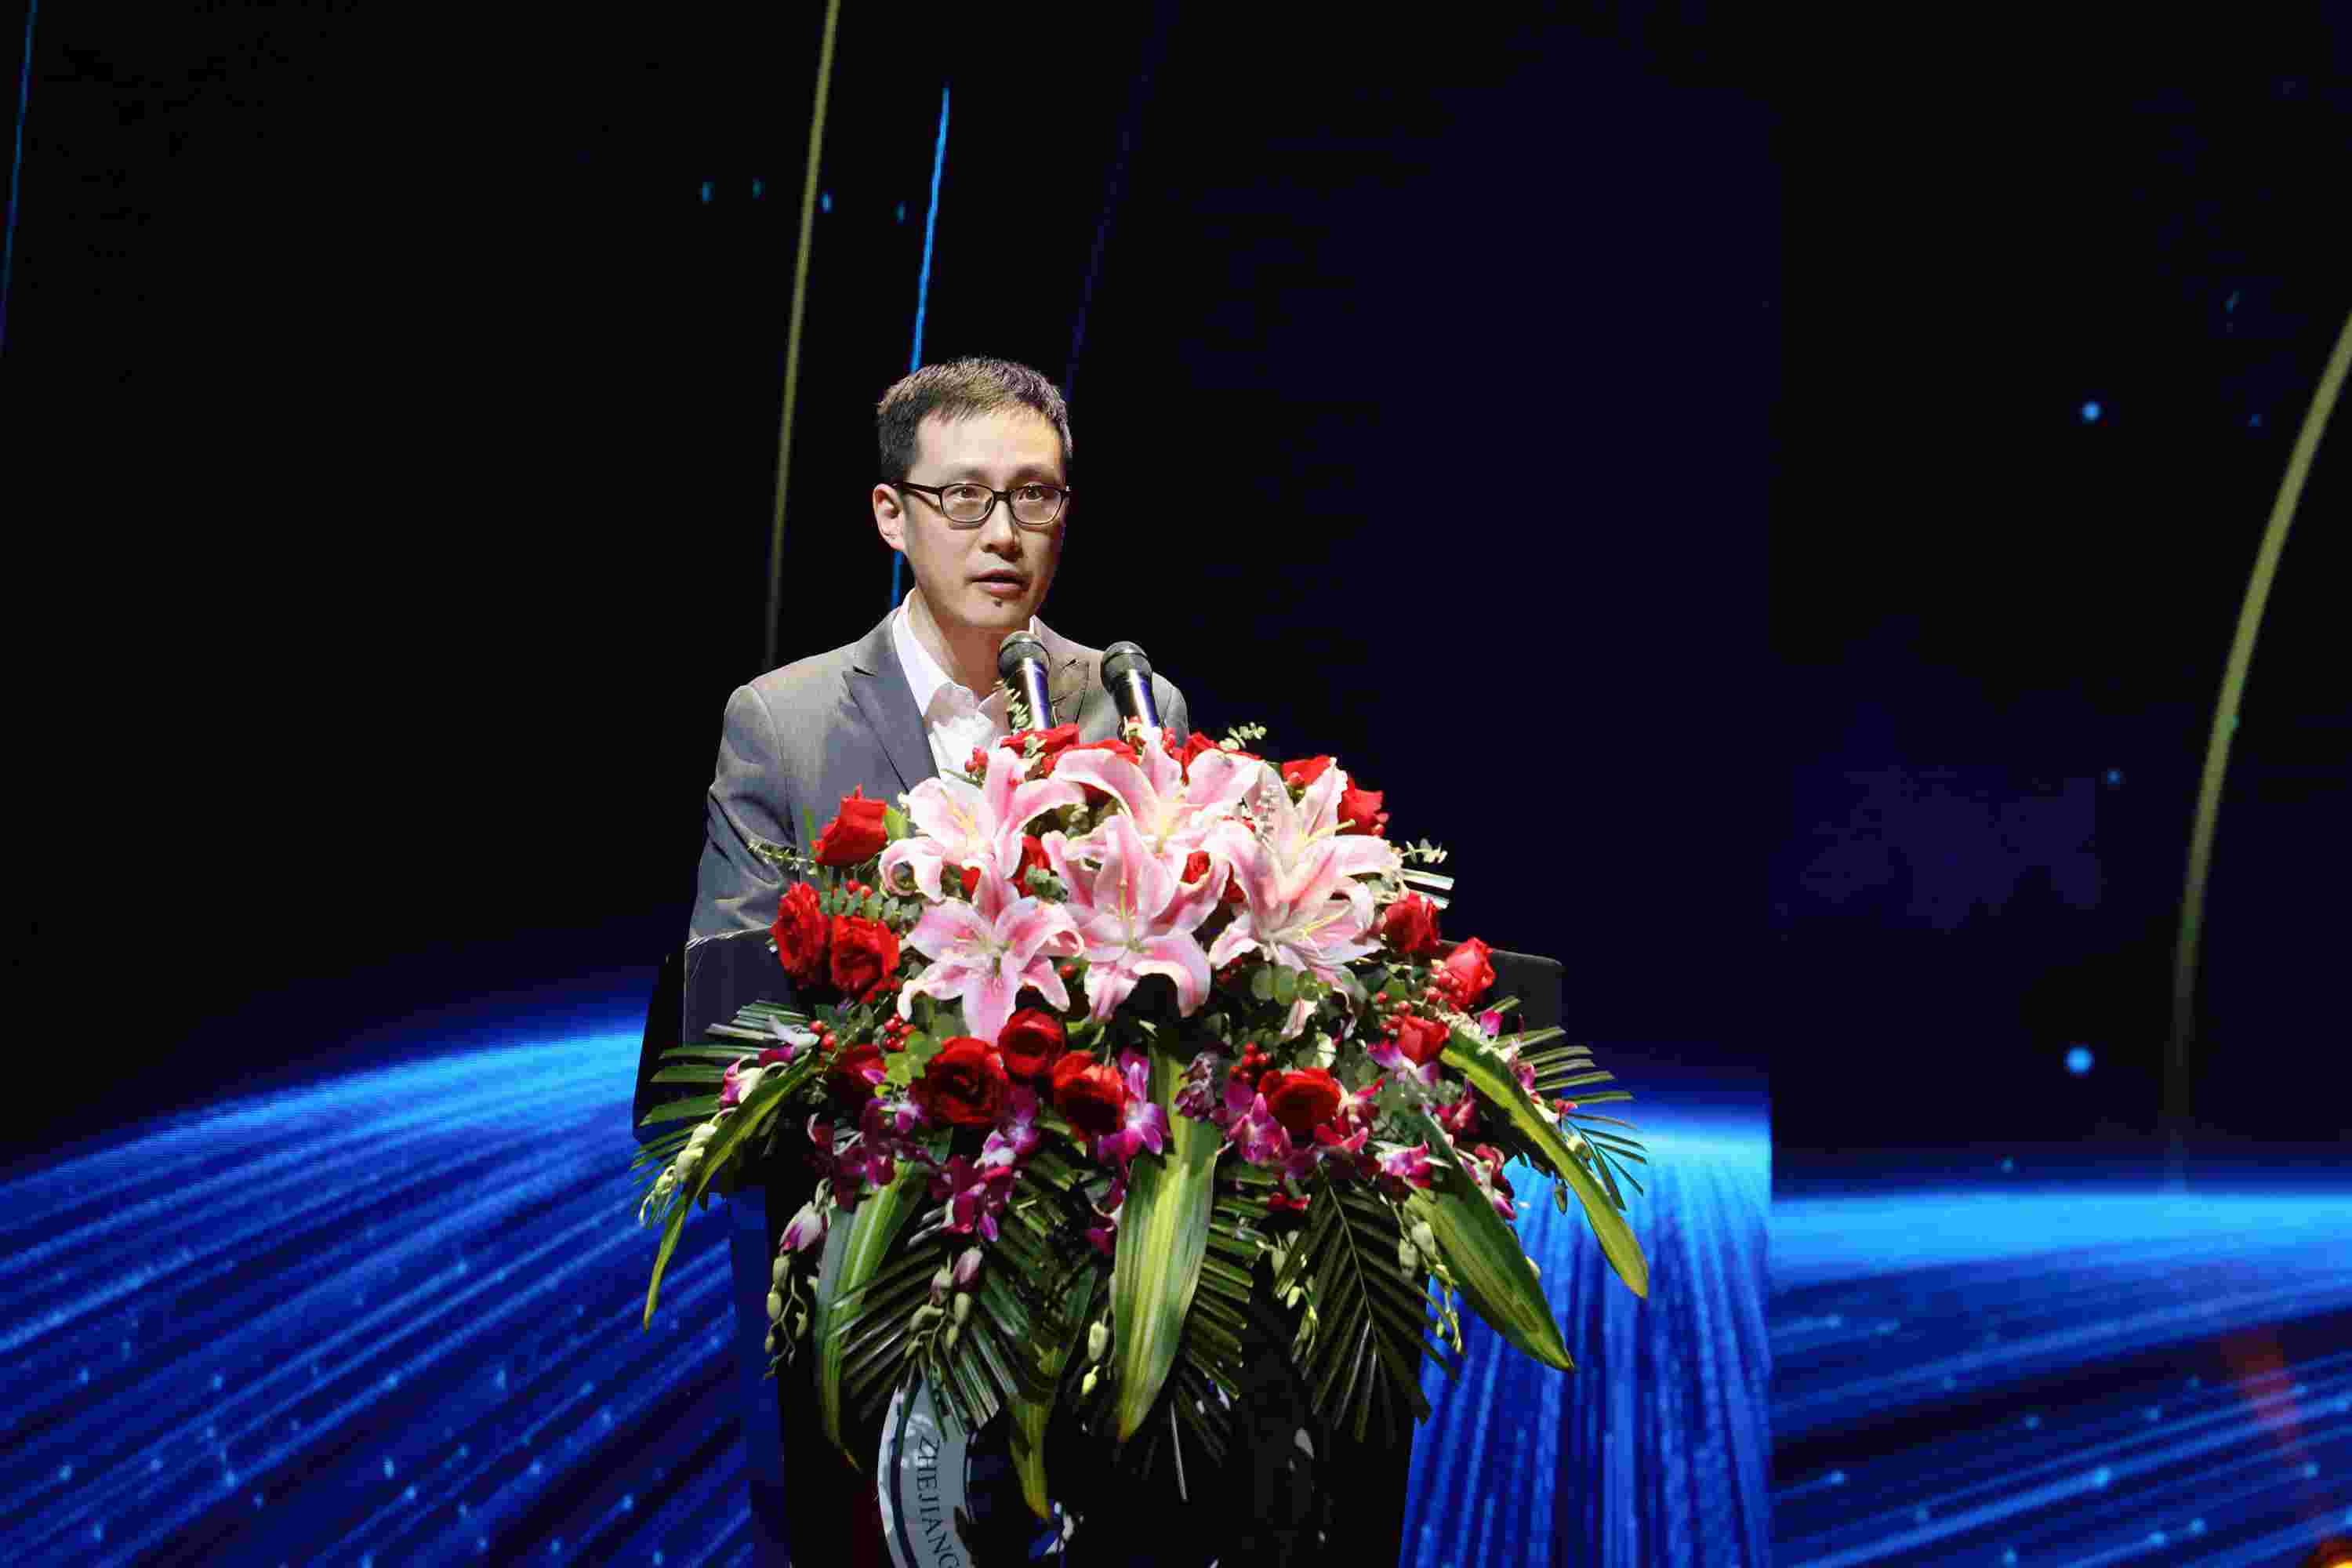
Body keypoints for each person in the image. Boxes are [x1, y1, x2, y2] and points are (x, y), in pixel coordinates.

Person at [644, 357, 1189, 1568]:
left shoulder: (1130, 706)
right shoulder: (784, 725)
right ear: (893, 515)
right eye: (965, 498)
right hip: (866, 1266)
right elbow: (729, 1026)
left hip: (1090, 1267)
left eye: (1035, 496)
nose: (1004, 533)